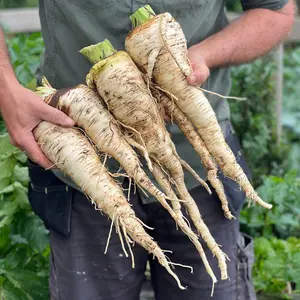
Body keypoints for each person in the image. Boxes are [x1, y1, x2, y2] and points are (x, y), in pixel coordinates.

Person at [0, 1, 295, 299]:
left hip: (200, 162)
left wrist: (201, 56)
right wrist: (6, 89)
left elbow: (275, 11)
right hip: (81, 162)